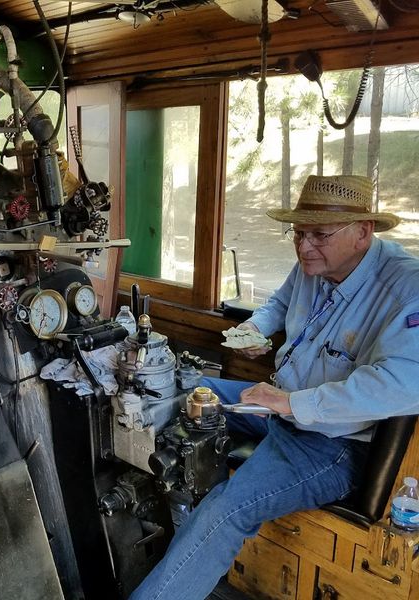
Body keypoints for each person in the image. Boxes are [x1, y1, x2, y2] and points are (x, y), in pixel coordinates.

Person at [130, 175, 419, 600]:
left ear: (363, 232)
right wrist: (252, 330)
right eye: (298, 234)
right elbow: (279, 305)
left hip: (331, 442)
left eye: (319, 235)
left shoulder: (406, 288)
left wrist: (288, 402)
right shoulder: (314, 262)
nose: (303, 247)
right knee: (174, 390)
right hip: (276, 406)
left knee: (225, 511)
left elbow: (399, 385)